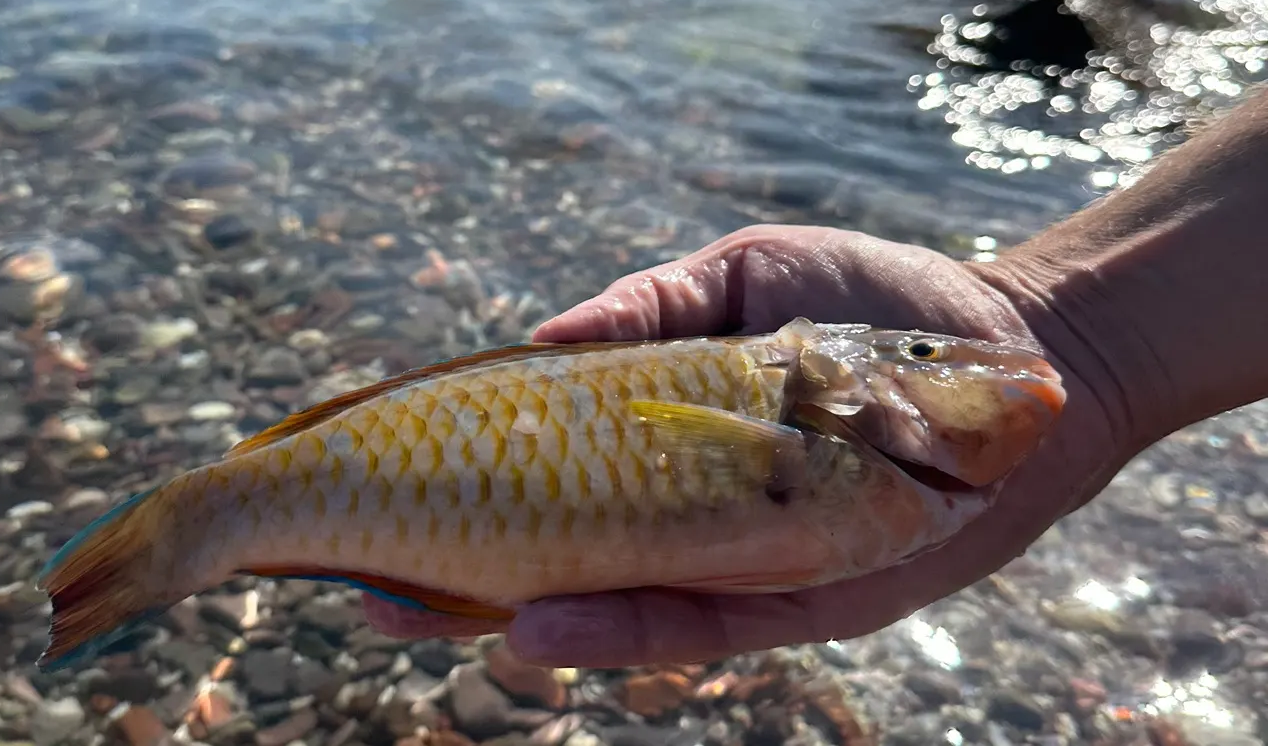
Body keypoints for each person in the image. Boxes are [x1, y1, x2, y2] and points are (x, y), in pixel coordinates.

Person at [363, 83, 1268, 666]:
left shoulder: (903, 455)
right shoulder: (826, 435)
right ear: (840, 401)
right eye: (918, 353)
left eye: (922, 352)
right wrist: (1079, 332)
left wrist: (1078, 338)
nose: (987, 368)